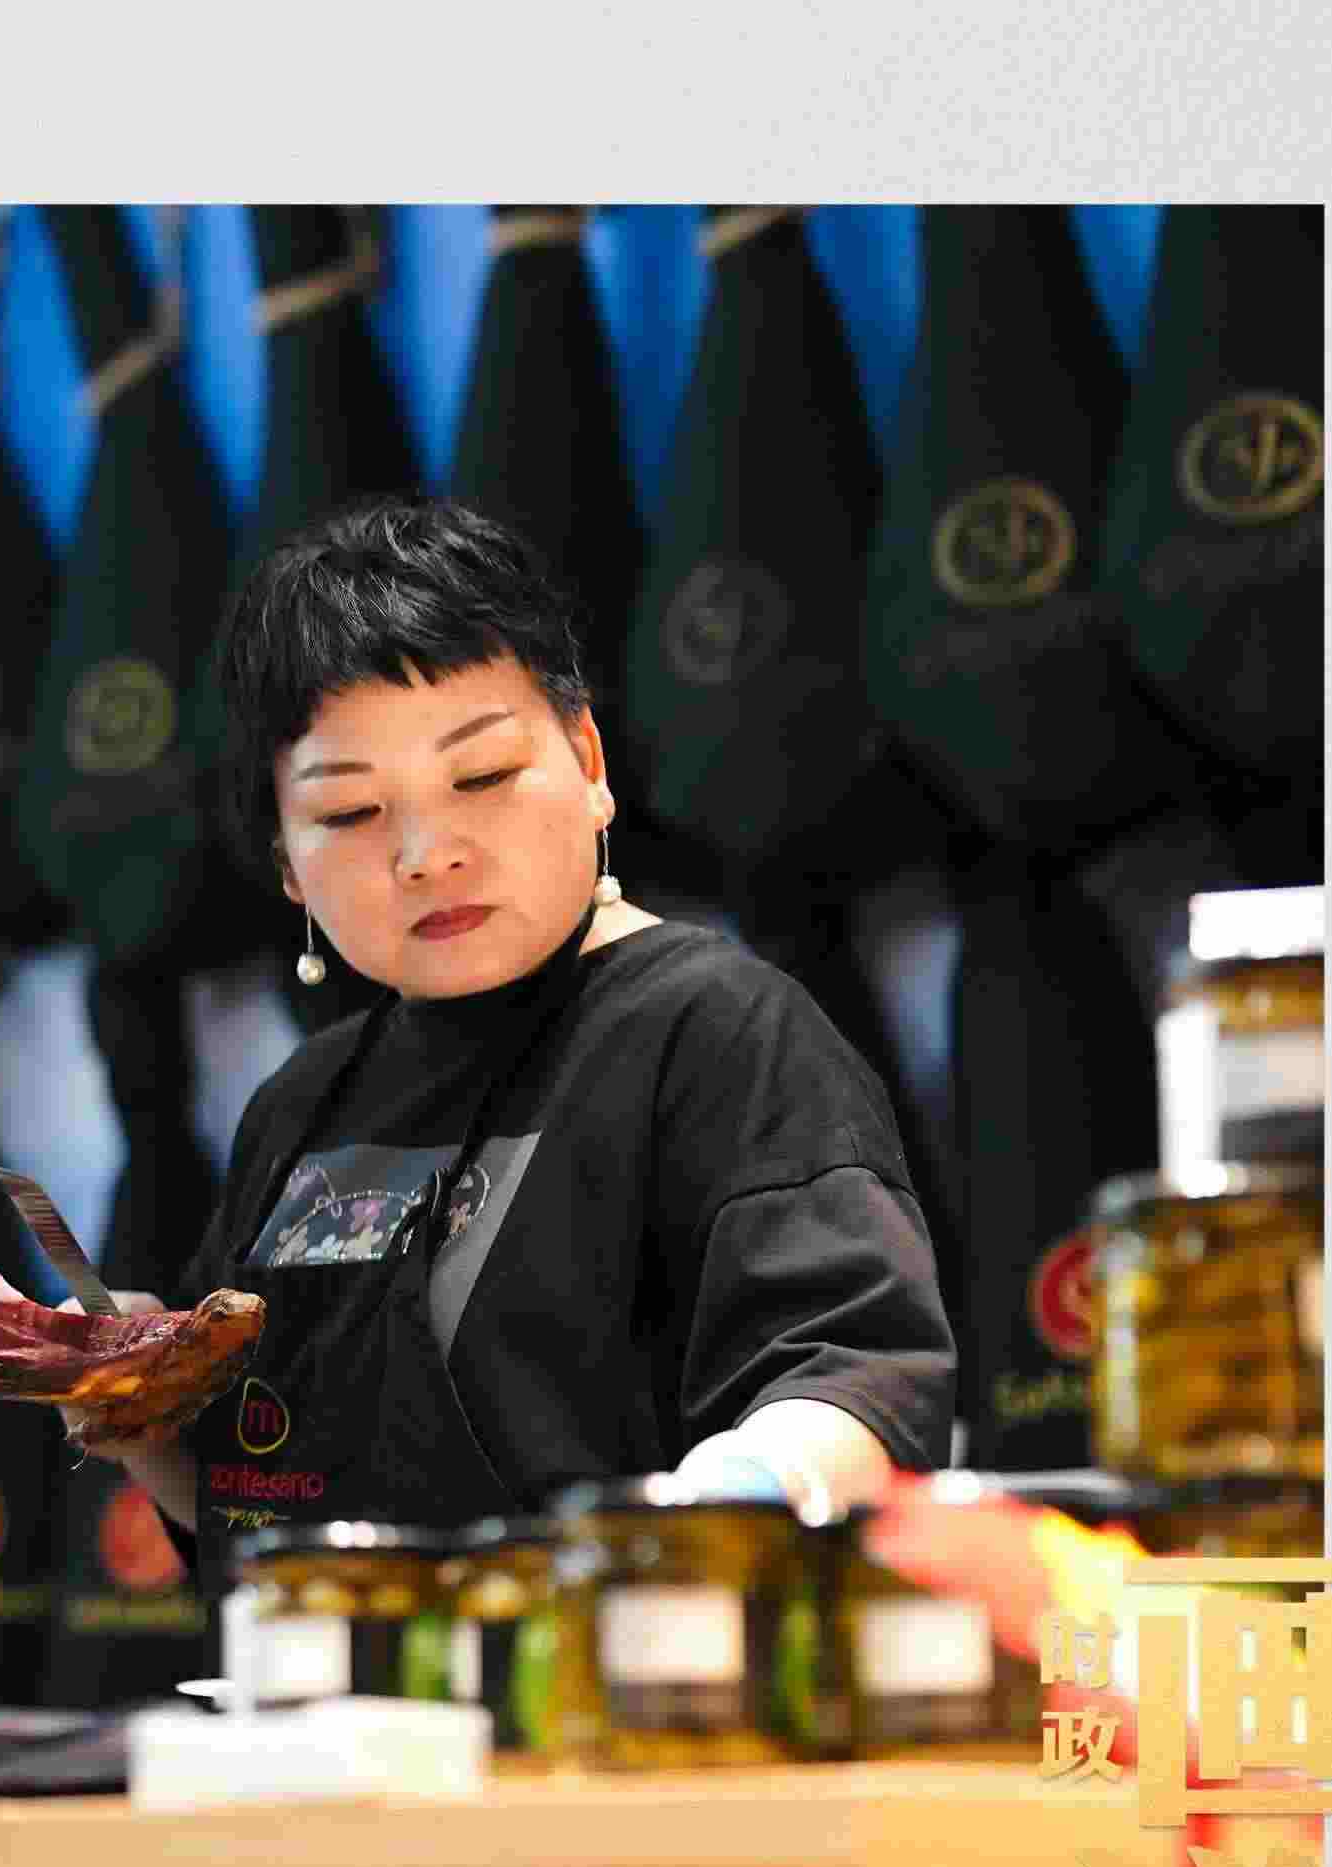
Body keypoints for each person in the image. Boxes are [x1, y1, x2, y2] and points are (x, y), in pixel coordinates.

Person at [69, 496, 954, 1563]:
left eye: (481, 776)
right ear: (285, 862)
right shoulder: (299, 1107)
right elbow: (256, 1501)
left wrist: (706, 1512)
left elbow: (858, 1378)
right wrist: (141, 1415)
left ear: (589, 763)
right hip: (325, 1665)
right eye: (350, 813)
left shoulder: (718, 1034)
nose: (428, 853)